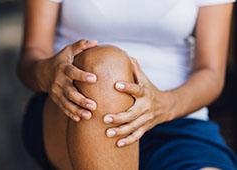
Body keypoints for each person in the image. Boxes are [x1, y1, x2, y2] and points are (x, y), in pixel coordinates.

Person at [19, 0, 237, 169]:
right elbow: (31, 56)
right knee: (106, 68)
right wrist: (46, 72)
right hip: (75, 112)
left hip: (176, 116)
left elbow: (211, 74)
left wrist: (164, 105)